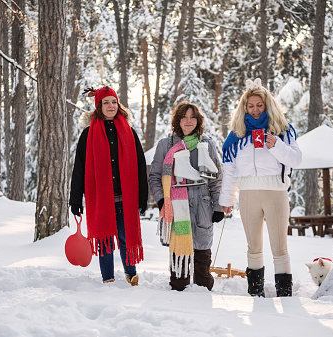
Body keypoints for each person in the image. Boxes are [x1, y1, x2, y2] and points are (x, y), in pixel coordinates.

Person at [219, 78, 302, 297]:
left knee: (279, 247)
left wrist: (276, 146)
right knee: (253, 247)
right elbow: (230, 170)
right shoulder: (236, 136)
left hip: (275, 193)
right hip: (248, 196)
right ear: (244, 108)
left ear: (267, 106)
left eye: (259, 105)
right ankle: (255, 291)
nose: (255, 110)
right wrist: (227, 199)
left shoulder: (283, 130)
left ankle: (284, 292)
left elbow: (296, 160)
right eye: (251, 106)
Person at [69, 86, 148, 286]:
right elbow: (80, 168)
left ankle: (131, 275)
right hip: (101, 199)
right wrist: (75, 199)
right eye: (106, 102)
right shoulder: (88, 134)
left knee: (125, 237)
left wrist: (142, 196)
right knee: (105, 240)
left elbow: (140, 165)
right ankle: (108, 279)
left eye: (113, 102)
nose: (111, 106)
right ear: (98, 106)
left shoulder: (129, 132)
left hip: (126, 198)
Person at [149, 101, 224, 291]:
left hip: (202, 205)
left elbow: (217, 178)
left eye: (192, 117)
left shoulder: (207, 144)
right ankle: (179, 296)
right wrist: (161, 200)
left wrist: (218, 207)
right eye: (184, 117)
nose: (188, 121)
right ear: (178, 121)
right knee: (179, 269)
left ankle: (203, 294)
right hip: (176, 205)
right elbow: (155, 177)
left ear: (198, 121)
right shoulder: (166, 145)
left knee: (202, 257)